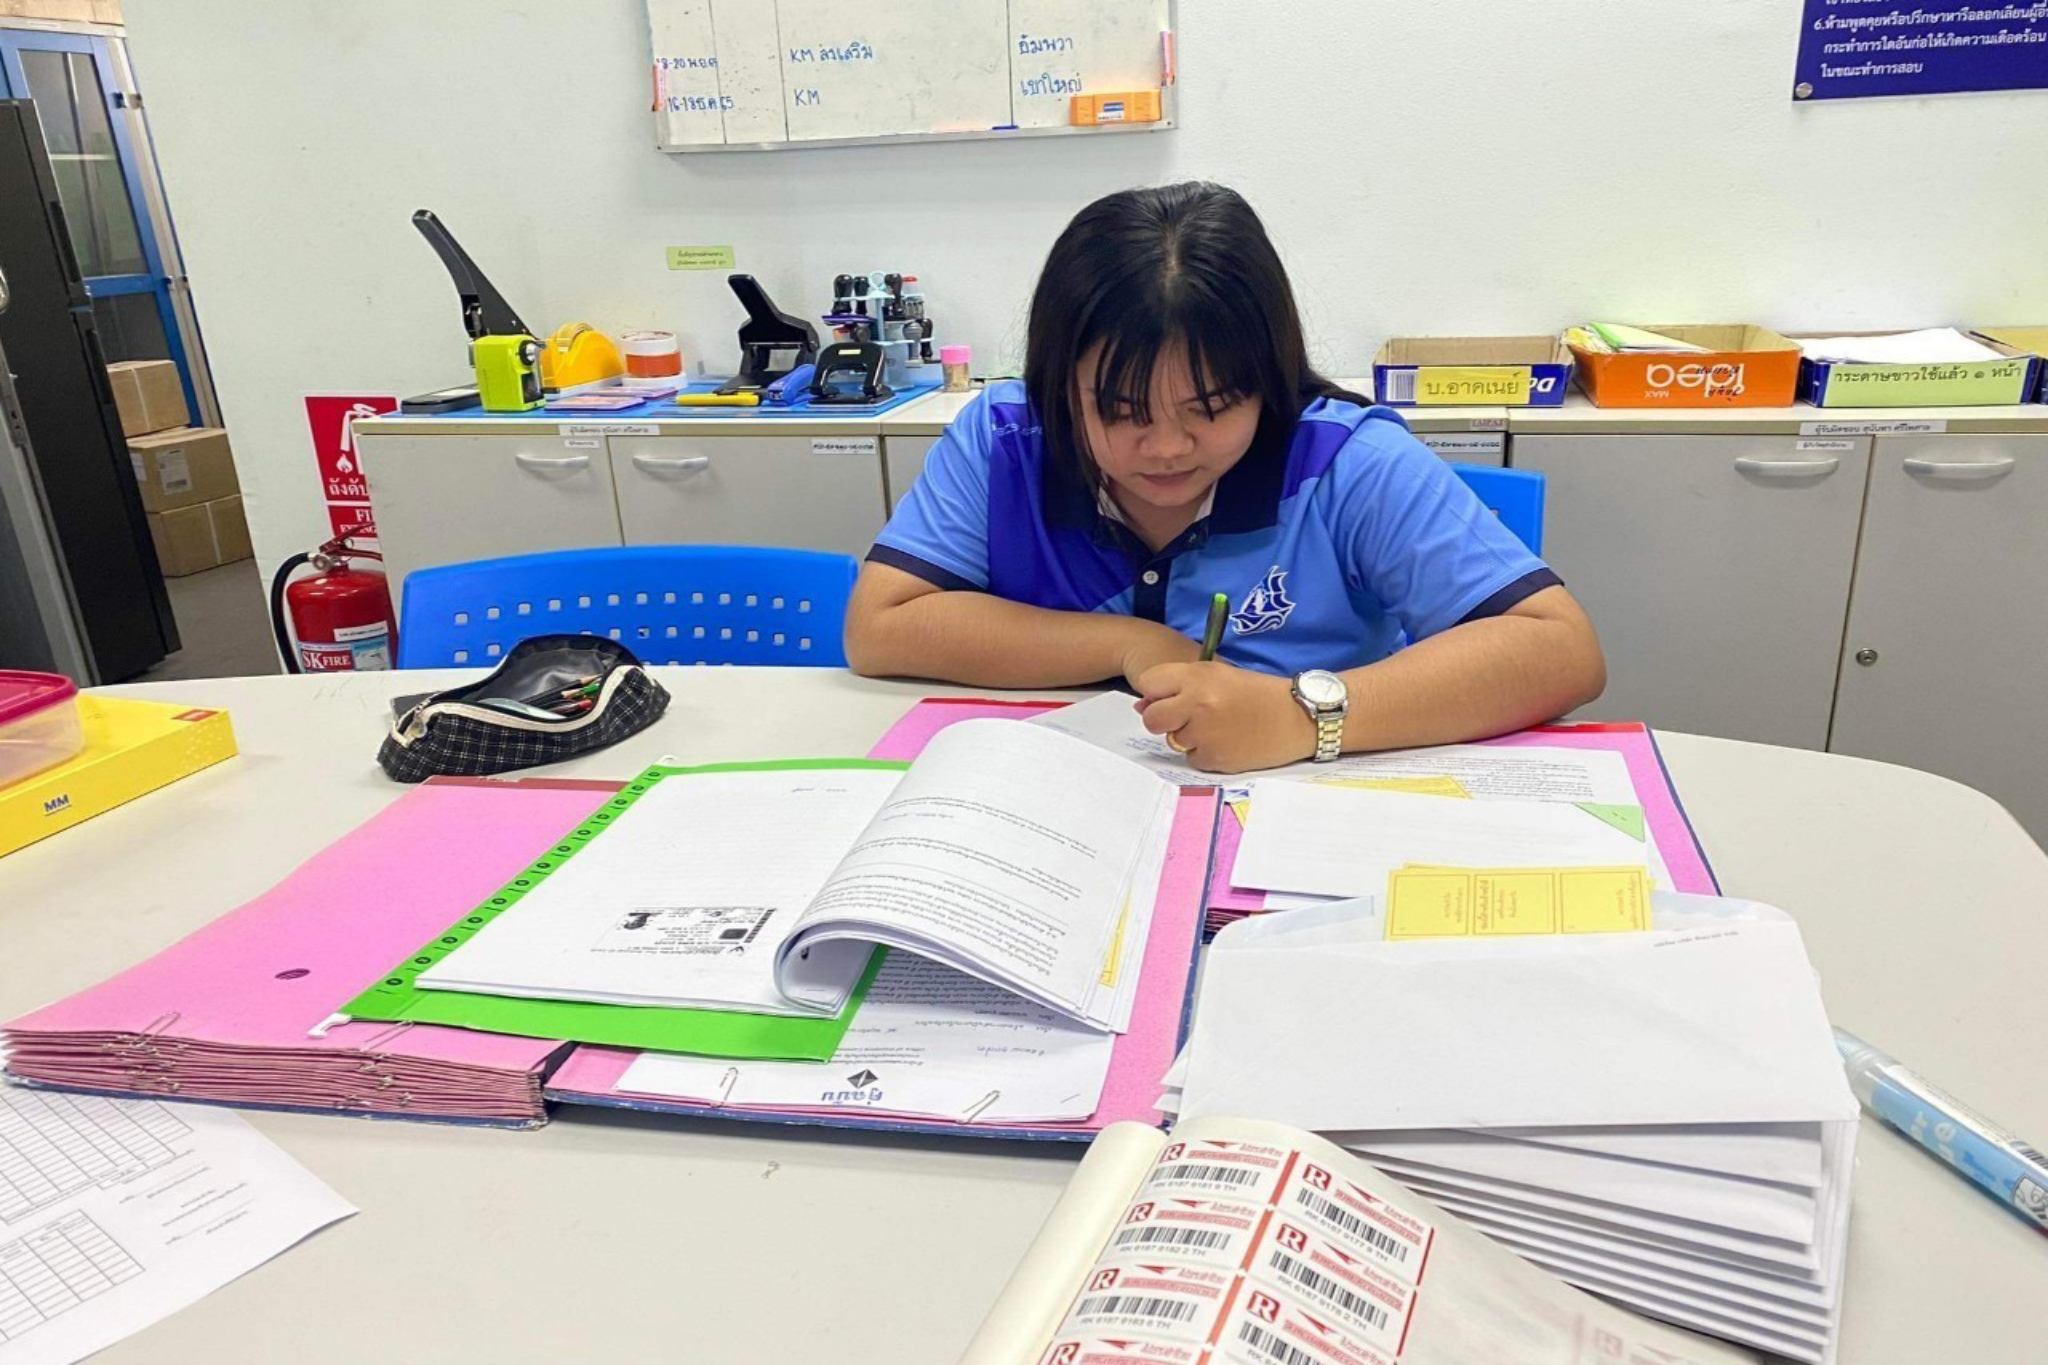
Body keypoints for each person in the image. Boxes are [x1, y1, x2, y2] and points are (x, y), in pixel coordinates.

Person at [845, 182, 1604, 773]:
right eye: (1120, 410)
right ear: (1057, 387)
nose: (1168, 447)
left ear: (1267, 379)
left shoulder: (1345, 462)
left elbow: (1560, 650)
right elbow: (880, 627)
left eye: (1211, 406)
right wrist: (1129, 642)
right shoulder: (1007, 439)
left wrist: (1300, 715)